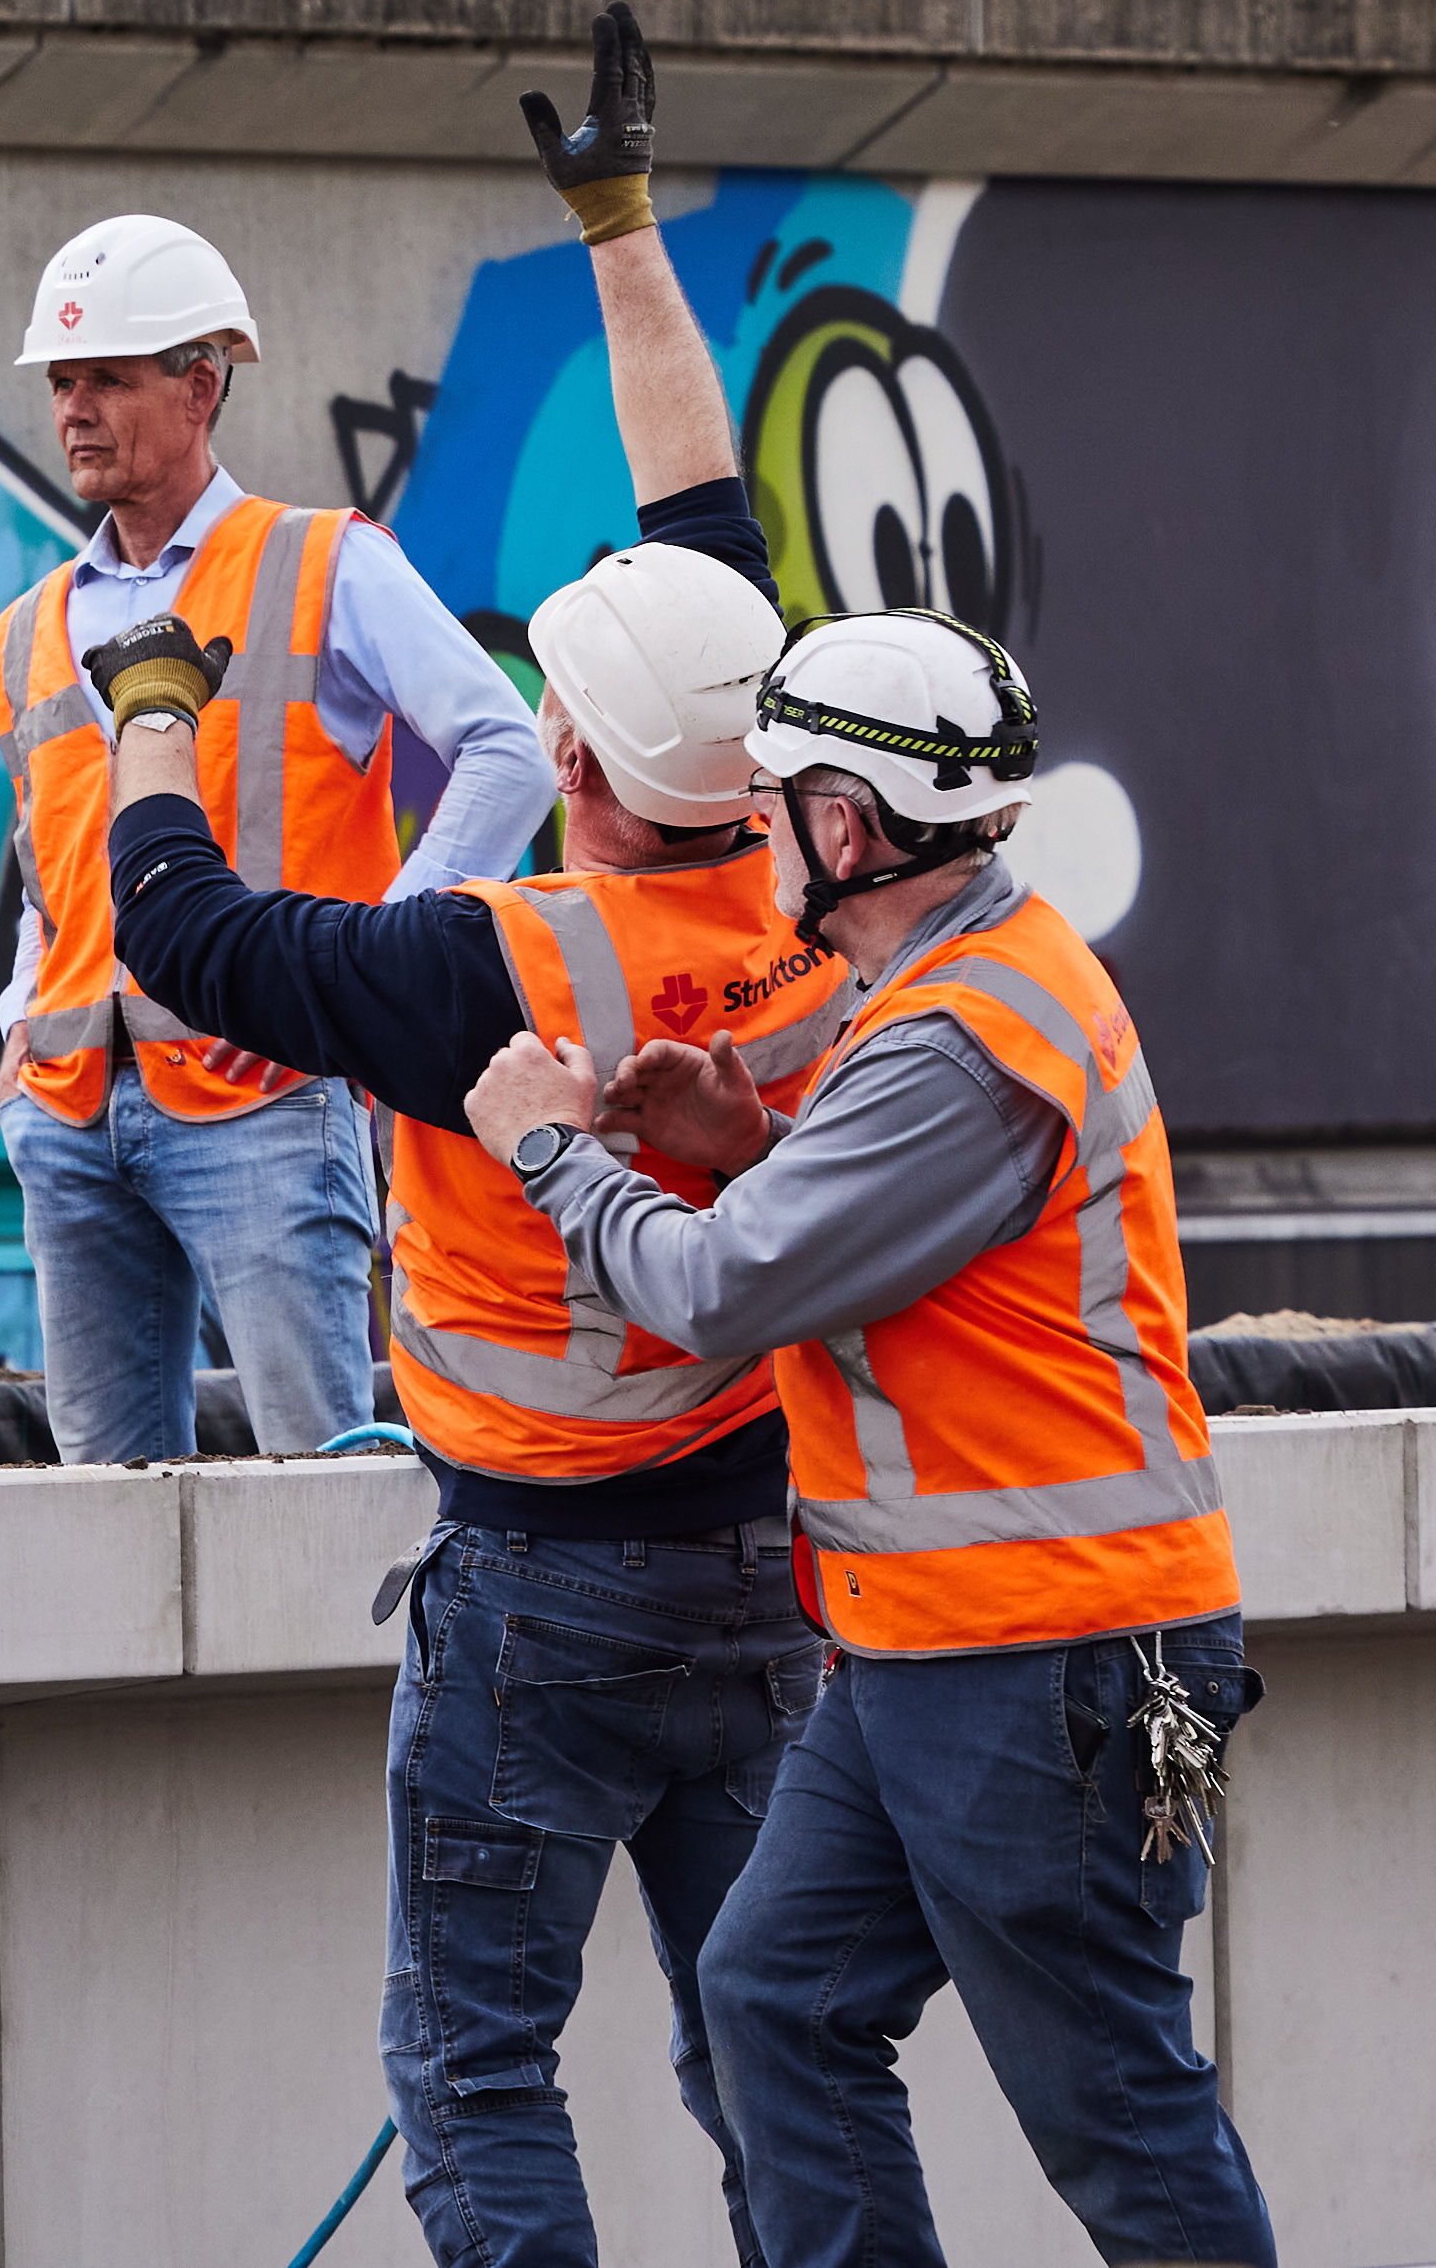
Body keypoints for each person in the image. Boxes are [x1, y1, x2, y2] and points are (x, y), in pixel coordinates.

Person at [99, 7, 842, 2267]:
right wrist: (623, 227)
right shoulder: (821, 866)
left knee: (479, 2058)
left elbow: (183, 933)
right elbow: (711, 530)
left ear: (575, 755)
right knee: (774, 2043)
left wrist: (152, 705)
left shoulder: (484, 976)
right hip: (764, 1561)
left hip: (539, 1585)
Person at [466, 614, 1265, 2265]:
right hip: (931, 1649)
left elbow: (723, 1289)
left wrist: (553, 1149)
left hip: (1039, 1656)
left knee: (1116, 2114)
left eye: (776, 804)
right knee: (776, 1999)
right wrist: (747, 1133)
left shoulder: (960, 1036)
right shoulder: (958, 987)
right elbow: (892, 1256)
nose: (754, 831)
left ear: (847, 826)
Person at [0, 205, 545, 1465]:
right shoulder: (22, 631)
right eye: (63, 380)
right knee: (106, 1519)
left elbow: (506, 749)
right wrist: (22, 1026)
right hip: (71, 1117)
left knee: (324, 1485)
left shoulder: (320, 564)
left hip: (266, 1102)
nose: (73, 408)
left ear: (200, 386)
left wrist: (383, 963)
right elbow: (49, 869)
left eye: (108, 380)